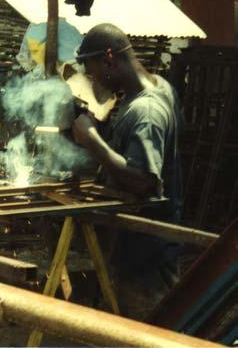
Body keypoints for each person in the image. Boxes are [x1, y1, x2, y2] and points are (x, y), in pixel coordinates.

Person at [71, 23, 183, 320]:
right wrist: (106, 131)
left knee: (148, 332)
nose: (93, 80)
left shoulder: (146, 112)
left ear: (109, 58)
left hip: (145, 254)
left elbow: (144, 180)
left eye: (93, 70)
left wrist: (93, 141)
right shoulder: (158, 86)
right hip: (146, 246)